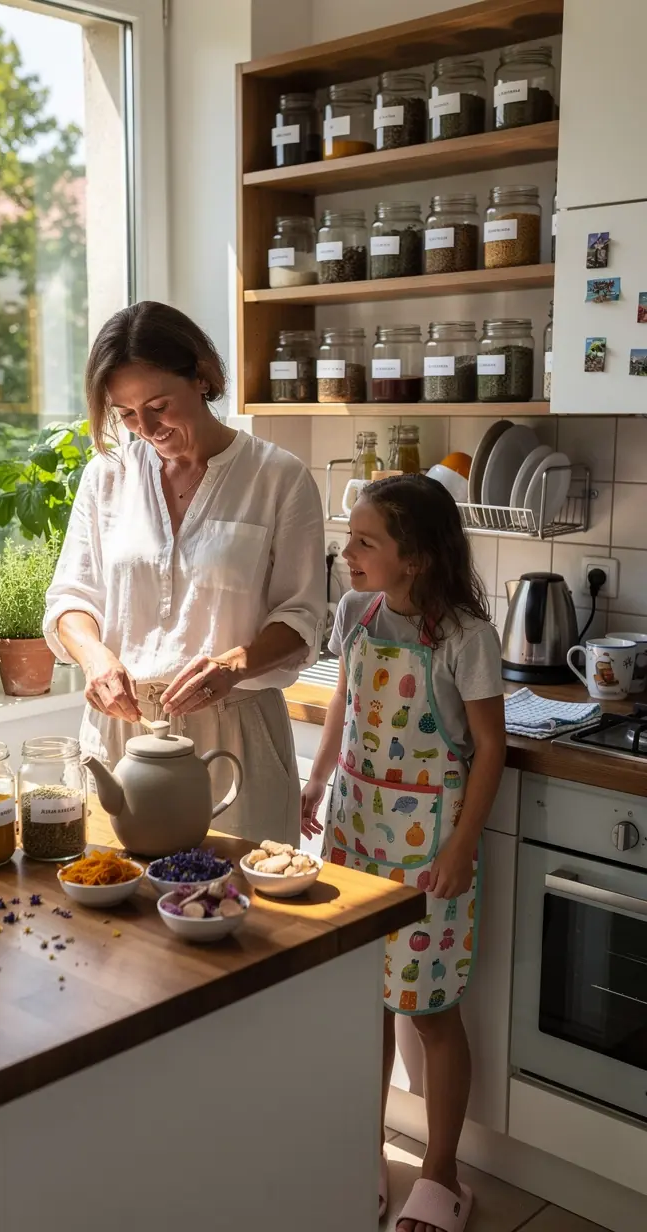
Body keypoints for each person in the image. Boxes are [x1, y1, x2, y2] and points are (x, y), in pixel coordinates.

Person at [301, 475, 505, 1232]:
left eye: (364, 542)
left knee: (428, 1009)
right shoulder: (356, 613)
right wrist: (316, 783)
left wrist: (461, 844)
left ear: (414, 558)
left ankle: (443, 1174)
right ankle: (363, 1149)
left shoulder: (464, 639)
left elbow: (490, 749)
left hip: (428, 850)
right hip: (355, 832)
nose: (346, 552)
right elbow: (341, 706)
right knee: (363, 1002)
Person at [44, 300, 326, 842]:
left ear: (201, 377)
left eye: (157, 405)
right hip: (122, 737)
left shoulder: (279, 479)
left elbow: (302, 619)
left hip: (235, 738)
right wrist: (96, 657)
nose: (145, 427)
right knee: (113, 912)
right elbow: (70, 599)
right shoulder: (107, 476)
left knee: (243, 912)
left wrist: (235, 665)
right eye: (125, 414)